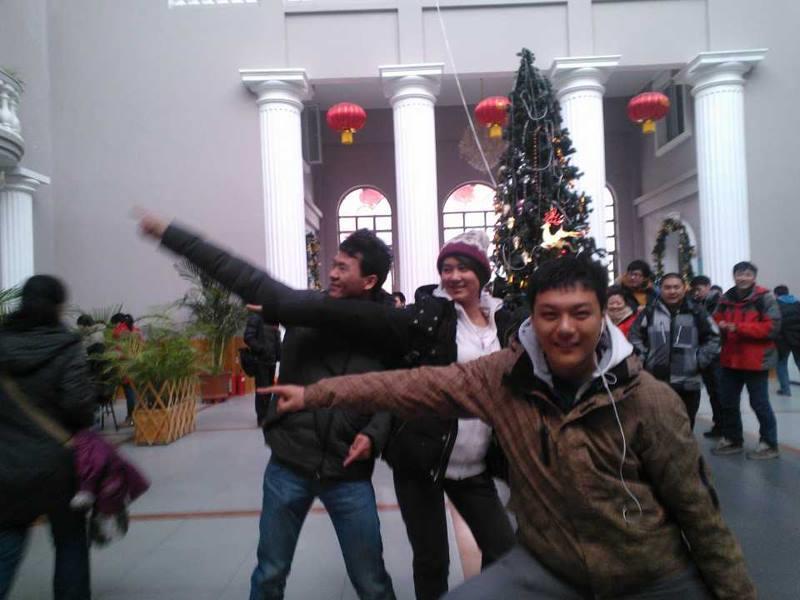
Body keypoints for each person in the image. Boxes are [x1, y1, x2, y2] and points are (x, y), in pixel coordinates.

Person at [268, 257, 756, 600]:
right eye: (550, 314)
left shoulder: (649, 401)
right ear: (533, 319)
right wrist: (315, 395)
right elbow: (414, 385)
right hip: (550, 568)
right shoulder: (503, 377)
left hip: (649, 575)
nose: (565, 328)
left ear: (602, 317)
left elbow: (700, 515)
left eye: (580, 313)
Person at [138, 215, 395, 600]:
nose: (332, 273)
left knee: (371, 580)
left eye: (344, 267)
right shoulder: (304, 307)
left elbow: (395, 391)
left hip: (349, 473)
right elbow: (235, 271)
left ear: (370, 280)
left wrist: (374, 435)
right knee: (270, 573)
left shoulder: (388, 330)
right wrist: (170, 234)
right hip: (289, 464)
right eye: (334, 263)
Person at [259, 230, 516, 600]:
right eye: (446, 268)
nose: (454, 276)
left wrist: (373, 432)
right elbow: (394, 381)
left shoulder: (495, 322)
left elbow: (396, 382)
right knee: (428, 561)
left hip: (446, 463)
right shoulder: (420, 318)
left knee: (497, 550)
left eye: (463, 268)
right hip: (376, 458)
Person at [0, 275, 95, 600]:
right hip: (59, 464)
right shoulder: (66, 347)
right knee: (70, 541)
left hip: (6, 466)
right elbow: (79, 406)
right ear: (58, 306)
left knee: (7, 542)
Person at [628, 273, 720, 429]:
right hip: (656, 380)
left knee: (686, 425)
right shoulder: (649, 312)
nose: (672, 291)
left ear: (684, 289)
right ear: (661, 289)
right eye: (667, 287)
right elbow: (634, 337)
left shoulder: (697, 312)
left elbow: (714, 337)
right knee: (658, 425)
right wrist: (644, 358)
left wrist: (698, 360)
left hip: (688, 381)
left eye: (676, 287)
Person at [711, 261, 781, 460]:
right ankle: (733, 439)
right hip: (730, 360)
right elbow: (715, 318)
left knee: (759, 403)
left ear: (754, 277)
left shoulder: (765, 298)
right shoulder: (725, 298)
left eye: (748, 274)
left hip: (756, 361)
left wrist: (738, 328)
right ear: (734, 276)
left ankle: (769, 443)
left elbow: (772, 328)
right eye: (739, 274)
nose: (743, 278)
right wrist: (720, 324)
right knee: (728, 401)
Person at [690, 276, 724, 438]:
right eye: (695, 290)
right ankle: (719, 426)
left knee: (719, 393)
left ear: (708, 286)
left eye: (700, 289)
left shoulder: (718, 303)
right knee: (713, 393)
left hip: (717, 354)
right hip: (705, 354)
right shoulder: (699, 304)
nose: (697, 292)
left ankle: (726, 429)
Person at [243, 308, 281, 424]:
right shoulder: (256, 317)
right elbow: (248, 337)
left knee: (269, 389)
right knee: (262, 389)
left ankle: (267, 414)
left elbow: (276, 337)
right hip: (260, 360)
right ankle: (262, 417)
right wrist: (261, 349)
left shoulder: (273, 318)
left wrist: (279, 354)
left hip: (271, 360)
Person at [110, 312, 139, 426]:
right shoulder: (136, 330)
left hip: (125, 365)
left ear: (117, 323)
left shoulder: (118, 331)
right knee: (136, 392)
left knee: (129, 391)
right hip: (138, 364)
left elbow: (117, 350)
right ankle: (138, 417)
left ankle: (130, 419)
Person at [773, 285, 800, 396]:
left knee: (781, 364)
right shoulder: (798, 303)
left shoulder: (776, 304)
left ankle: (785, 390)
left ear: (776, 294)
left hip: (782, 340)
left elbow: (775, 323)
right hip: (798, 339)